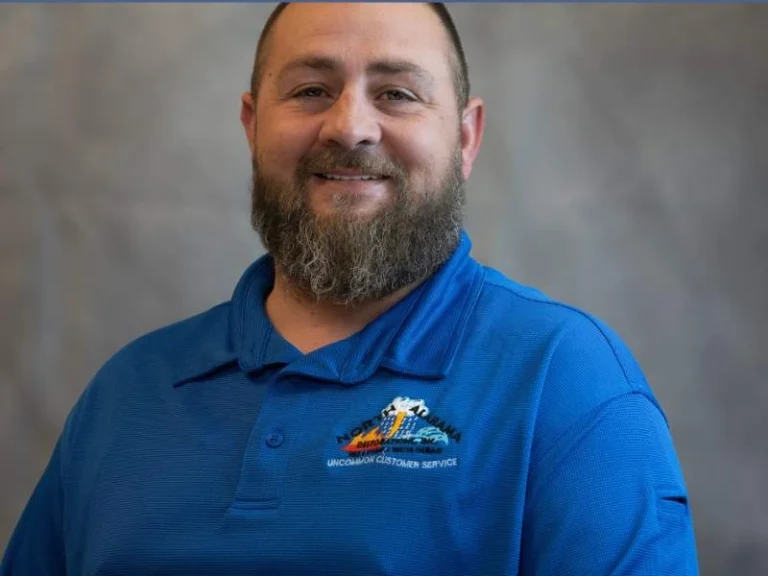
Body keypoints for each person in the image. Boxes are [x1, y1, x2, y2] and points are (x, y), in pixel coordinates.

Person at [2, 3, 699, 575]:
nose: (350, 127)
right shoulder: (127, 394)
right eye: (310, 90)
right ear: (252, 126)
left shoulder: (566, 384)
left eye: (396, 93)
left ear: (466, 137)